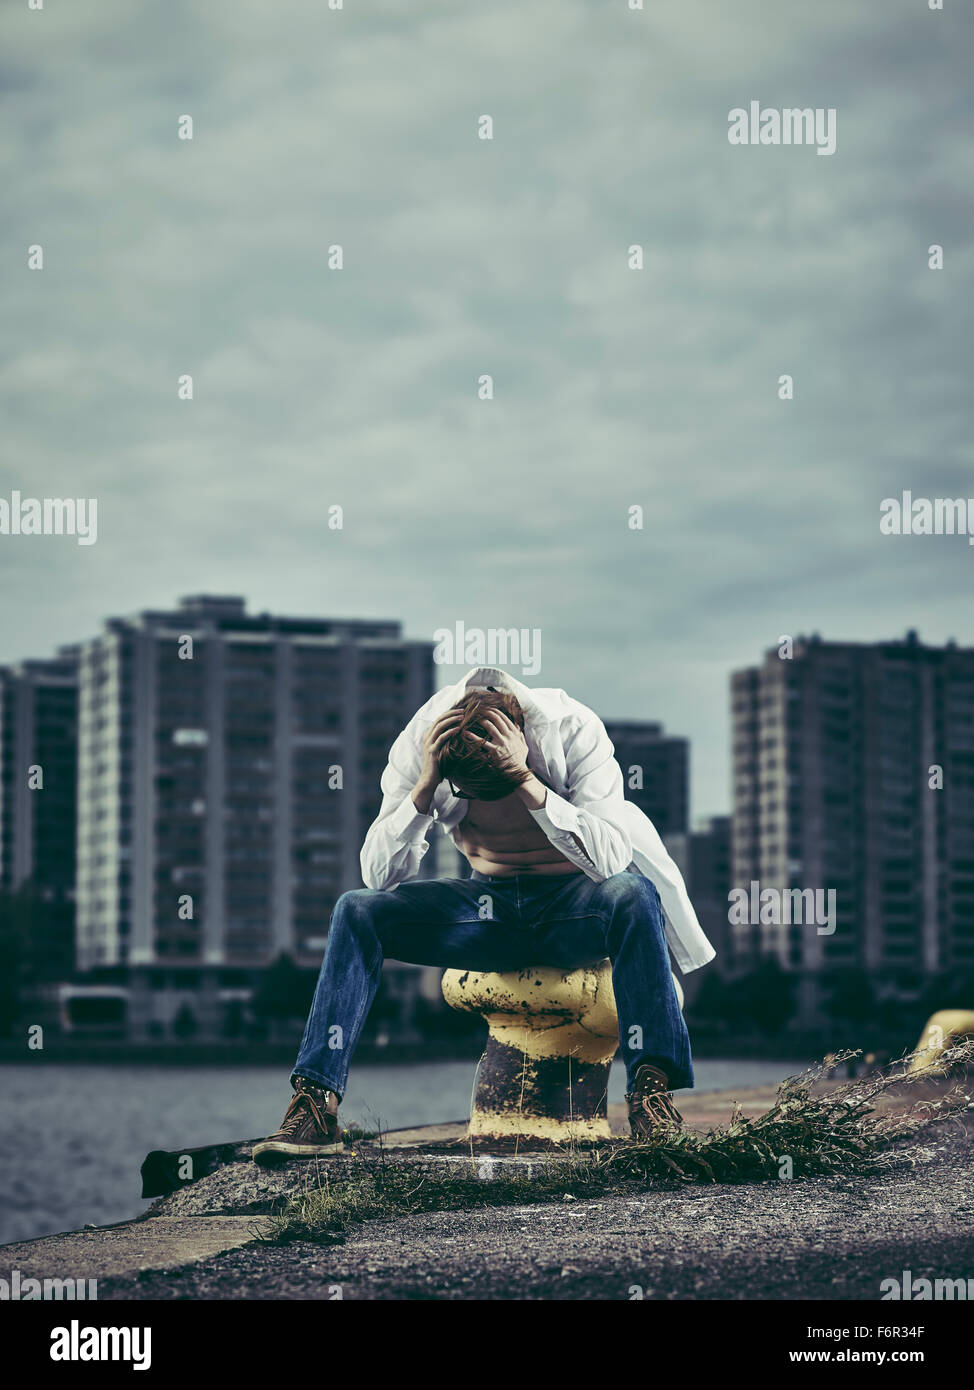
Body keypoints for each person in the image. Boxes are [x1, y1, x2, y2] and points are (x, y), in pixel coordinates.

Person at [253, 667, 715, 1163]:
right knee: (356, 909)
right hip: (485, 911)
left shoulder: (575, 730)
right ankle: (315, 1103)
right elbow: (377, 874)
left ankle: (651, 1095)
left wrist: (522, 779)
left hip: (576, 910)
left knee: (634, 893)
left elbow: (608, 859)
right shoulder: (422, 741)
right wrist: (427, 785)